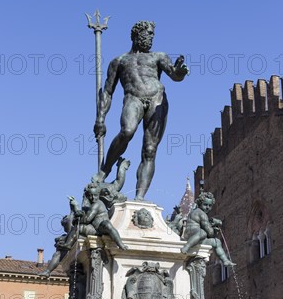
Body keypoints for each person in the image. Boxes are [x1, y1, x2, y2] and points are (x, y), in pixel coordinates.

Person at [93, 20, 189, 200]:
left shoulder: (158, 56)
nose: (151, 37)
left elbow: (174, 75)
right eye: (149, 33)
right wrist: (100, 118)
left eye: (153, 34)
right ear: (137, 34)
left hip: (157, 99)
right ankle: (105, 169)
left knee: (150, 150)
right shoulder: (119, 61)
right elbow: (107, 92)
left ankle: (139, 198)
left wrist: (180, 72)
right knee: (127, 131)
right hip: (133, 97)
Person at [181, 192, 235, 266]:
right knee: (203, 232)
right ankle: (186, 247)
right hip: (192, 235)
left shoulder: (195, 212)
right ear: (200, 203)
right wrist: (214, 228)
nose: (207, 207)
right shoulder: (201, 214)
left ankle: (225, 260)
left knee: (217, 242)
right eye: (205, 205)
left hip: (196, 239)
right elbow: (209, 232)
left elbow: (208, 229)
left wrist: (213, 227)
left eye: (210, 205)